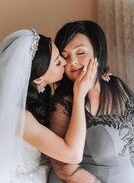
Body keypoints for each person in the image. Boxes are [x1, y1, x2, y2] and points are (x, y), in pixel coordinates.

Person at [0, 29, 98, 182]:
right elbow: (73, 154)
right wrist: (79, 96)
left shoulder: (37, 97)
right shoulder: (19, 116)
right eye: (59, 61)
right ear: (39, 80)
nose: (66, 62)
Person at [48, 21, 134, 183]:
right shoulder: (62, 103)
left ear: (98, 52)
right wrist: (79, 95)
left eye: (80, 52)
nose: (72, 61)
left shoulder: (116, 85)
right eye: (65, 56)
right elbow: (63, 167)